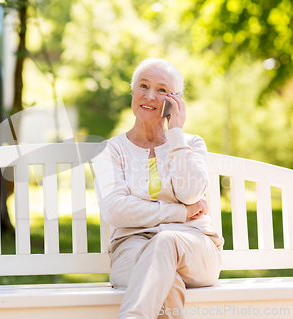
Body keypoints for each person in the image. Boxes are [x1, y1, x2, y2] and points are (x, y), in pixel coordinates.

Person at [94, 58, 224, 319]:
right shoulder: (111, 150)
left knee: (165, 241)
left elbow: (191, 194)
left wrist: (175, 133)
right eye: (143, 86)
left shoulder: (191, 144)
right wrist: (179, 213)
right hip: (132, 247)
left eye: (162, 90)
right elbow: (115, 210)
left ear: (174, 100)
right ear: (132, 92)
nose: (150, 96)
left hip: (193, 248)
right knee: (166, 281)